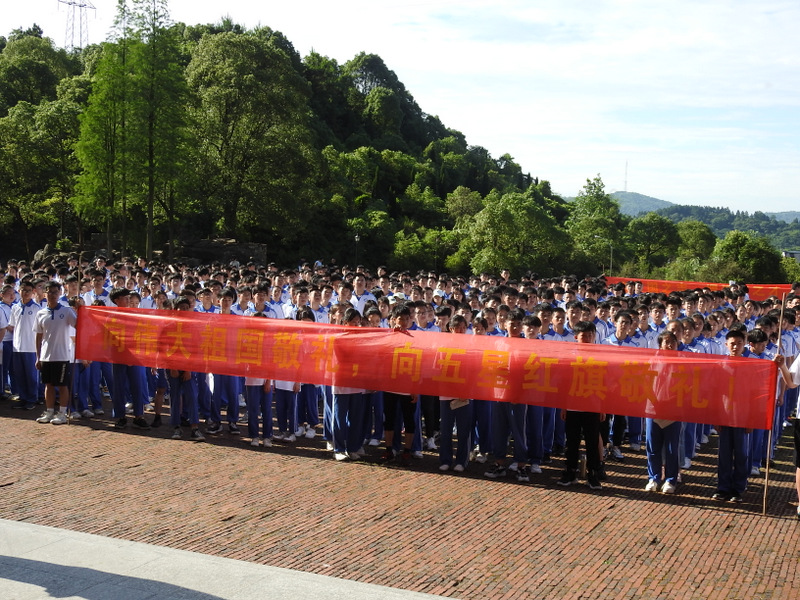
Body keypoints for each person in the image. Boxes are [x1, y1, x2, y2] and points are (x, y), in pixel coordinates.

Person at [556, 320, 604, 490]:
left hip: (592, 405)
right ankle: (570, 472)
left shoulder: (600, 356)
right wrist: (563, 406)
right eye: (584, 336)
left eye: (591, 335)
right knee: (572, 442)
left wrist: (602, 407)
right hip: (573, 406)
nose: (588, 338)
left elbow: (604, 383)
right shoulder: (570, 356)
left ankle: (593, 474)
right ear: (576, 337)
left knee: (592, 442)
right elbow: (564, 383)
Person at [33, 281, 77, 426]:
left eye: (55, 292)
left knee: (62, 386)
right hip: (46, 356)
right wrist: (38, 357)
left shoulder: (66, 311)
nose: (52, 295)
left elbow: (79, 325)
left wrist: (80, 310)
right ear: (45, 294)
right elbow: (39, 336)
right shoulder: (40, 313)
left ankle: (62, 413)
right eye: (50, 292)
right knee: (49, 385)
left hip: (62, 356)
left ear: (60, 293)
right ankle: (49, 411)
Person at [644, 330, 681, 494]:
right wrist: (654, 401)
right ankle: (653, 478)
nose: (670, 345)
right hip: (653, 409)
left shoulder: (682, 362)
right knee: (653, 447)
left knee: (672, 448)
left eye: (673, 342)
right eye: (667, 342)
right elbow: (645, 383)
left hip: (673, 411)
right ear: (660, 345)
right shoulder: (652, 361)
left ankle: (671, 480)